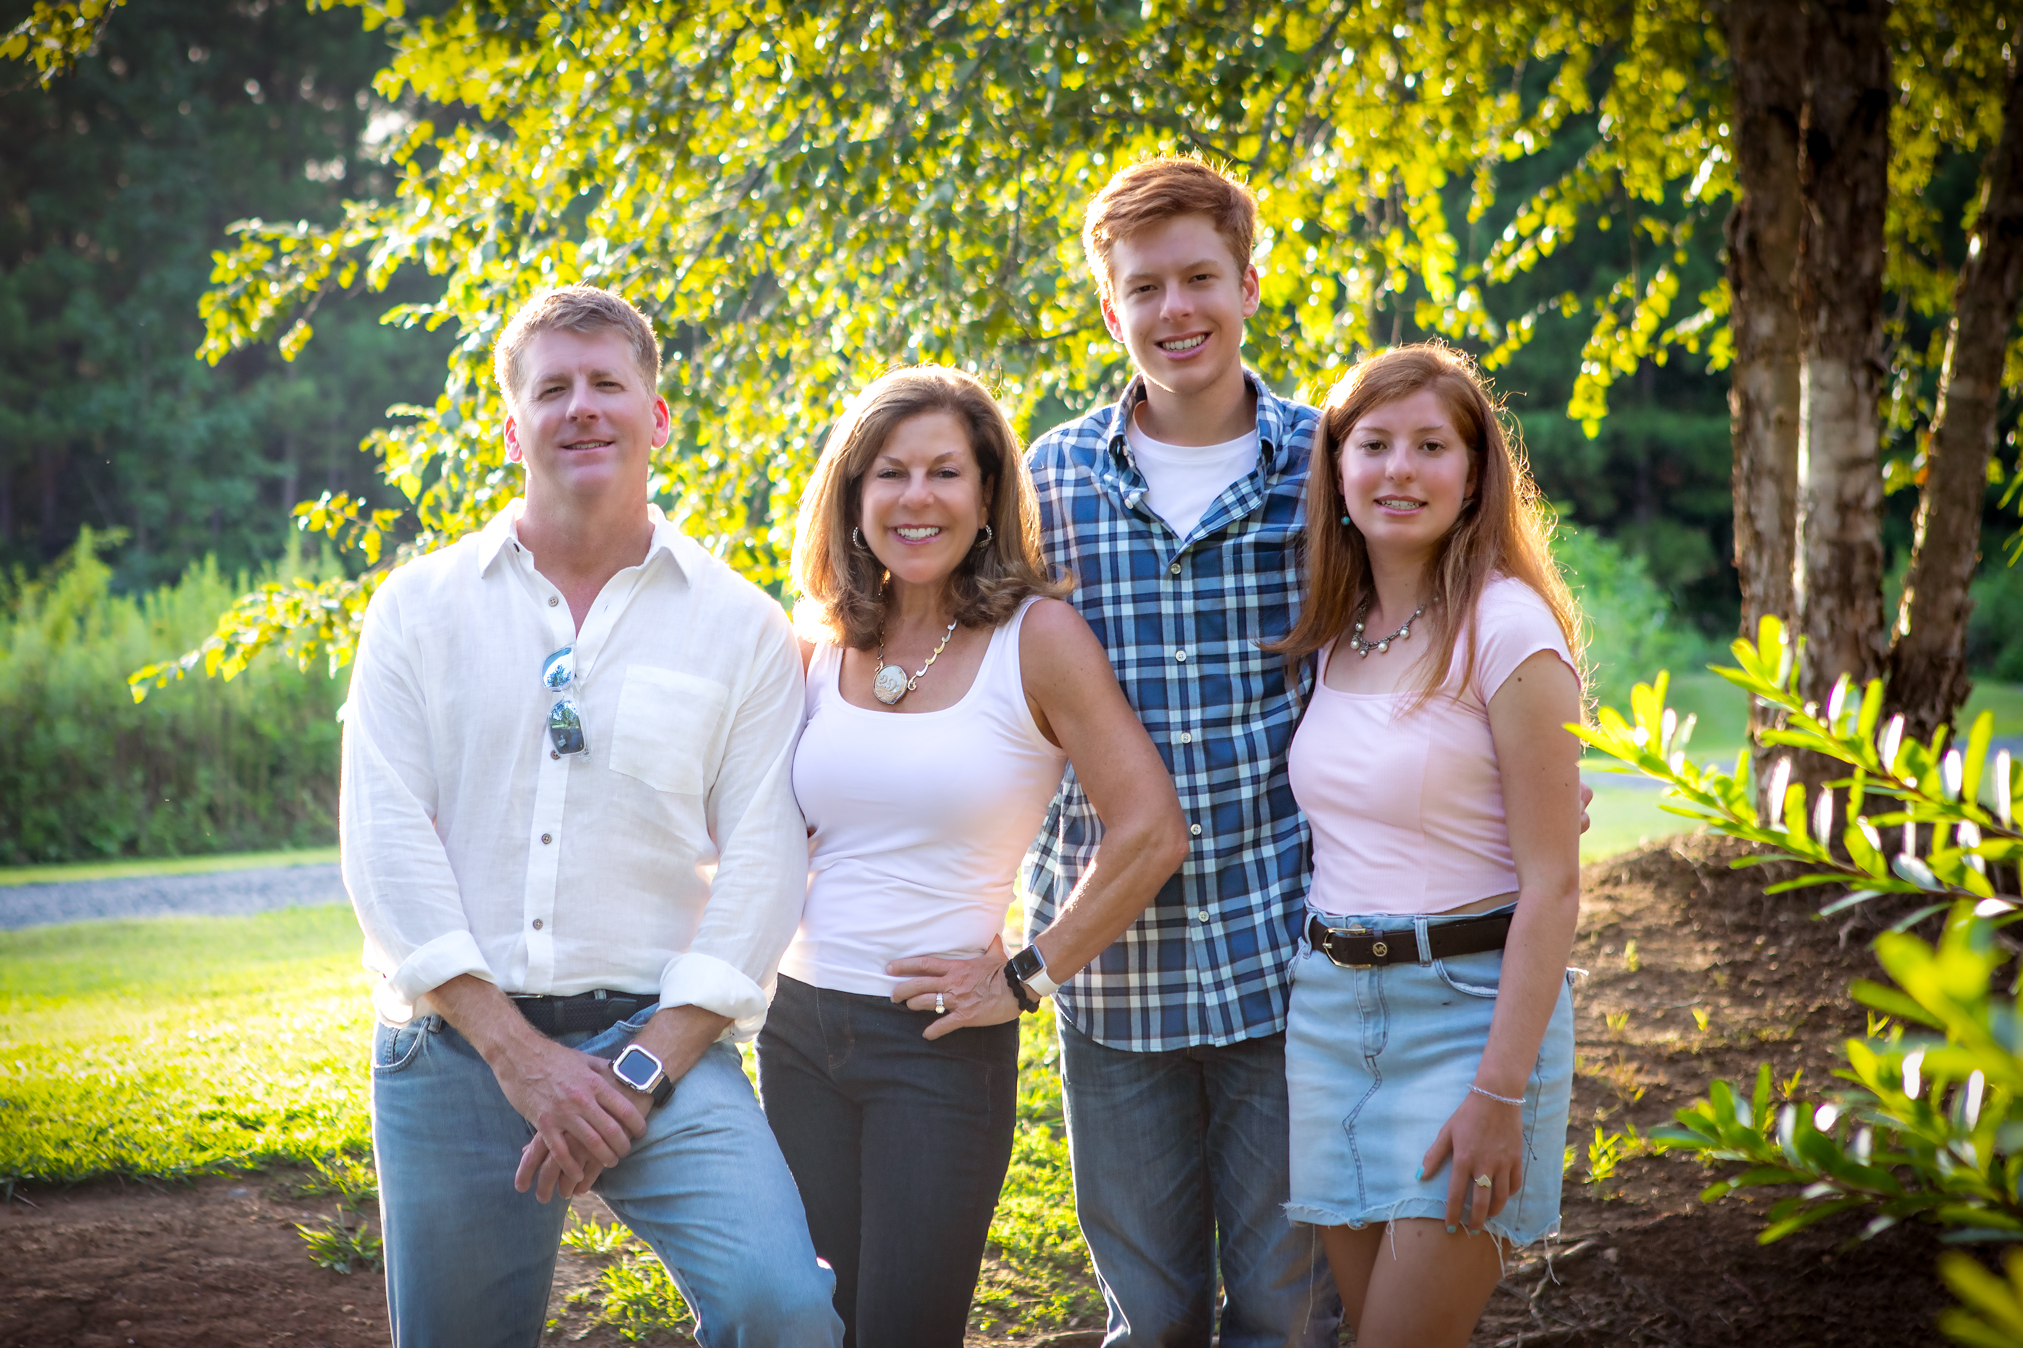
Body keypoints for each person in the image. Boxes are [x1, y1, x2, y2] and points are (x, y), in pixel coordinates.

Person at [1022, 157, 1593, 1347]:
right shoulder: (1050, 483)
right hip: (1123, 968)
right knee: (1154, 1315)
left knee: (1293, 1318)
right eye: (1144, 287)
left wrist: (1531, 773)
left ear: (1247, 282)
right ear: (1105, 301)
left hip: (1286, 960)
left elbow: (1473, 659)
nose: (1175, 310)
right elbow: (979, 667)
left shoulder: (1323, 458)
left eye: (1200, 278)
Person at [341, 284, 843, 1347]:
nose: (583, 408)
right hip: (457, 1046)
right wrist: (520, 1058)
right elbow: (385, 843)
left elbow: (762, 864)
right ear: (507, 421)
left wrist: (637, 1065)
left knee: (783, 1308)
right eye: (552, 388)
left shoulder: (740, 626)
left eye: (608, 384)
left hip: (657, 1046)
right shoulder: (417, 610)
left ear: (657, 414)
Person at [757, 365, 1189, 1348]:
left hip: (938, 1045)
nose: (917, 498)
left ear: (987, 493)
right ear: (853, 495)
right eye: (890, 473)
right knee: (803, 1324)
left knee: (906, 1331)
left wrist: (1025, 974)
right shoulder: (812, 646)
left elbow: (1151, 827)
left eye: (945, 472)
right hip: (794, 1030)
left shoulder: (1036, 639)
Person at [1274, 343, 1583, 1347]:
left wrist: (1499, 1088)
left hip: (1467, 1021)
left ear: (1474, 472)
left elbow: (1553, 886)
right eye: (1372, 444)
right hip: (1330, 1019)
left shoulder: (1507, 629)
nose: (1398, 469)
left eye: (1428, 445)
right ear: (1337, 467)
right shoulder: (1336, 630)